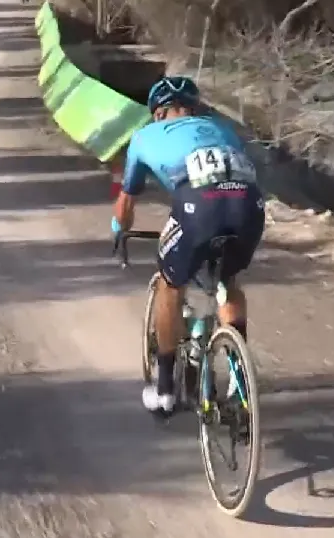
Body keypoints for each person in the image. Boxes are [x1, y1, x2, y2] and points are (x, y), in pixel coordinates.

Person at [111, 75, 265, 418]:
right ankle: (240, 387)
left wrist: (118, 230)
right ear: (194, 109)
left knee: (170, 283)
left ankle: (165, 390)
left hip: (200, 207)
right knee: (228, 281)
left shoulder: (145, 136)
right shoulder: (223, 128)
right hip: (248, 205)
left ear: (157, 113)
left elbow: (126, 202)